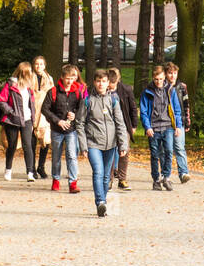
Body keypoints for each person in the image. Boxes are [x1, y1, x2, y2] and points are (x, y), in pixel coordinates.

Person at [77, 68, 130, 216]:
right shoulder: (87, 101)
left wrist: (123, 144)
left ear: (108, 83)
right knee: (98, 172)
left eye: (104, 81)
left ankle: (104, 203)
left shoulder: (113, 100)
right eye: (98, 81)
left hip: (111, 145)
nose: (101, 84)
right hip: (93, 143)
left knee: (107, 176)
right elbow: (79, 123)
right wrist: (83, 145)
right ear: (94, 82)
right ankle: (100, 201)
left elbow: (120, 123)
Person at [40, 62, 87, 193]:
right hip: (57, 130)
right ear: (62, 77)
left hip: (72, 130)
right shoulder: (53, 91)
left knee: (72, 156)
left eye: (72, 78)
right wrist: (58, 121)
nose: (70, 81)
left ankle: (73, 183)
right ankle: (56, 180)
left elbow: (82, 109)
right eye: (67, 78)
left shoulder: (78, 92)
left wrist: (75, 115)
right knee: (56, 156)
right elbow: (45, 109)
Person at [139, 64, 183, 190]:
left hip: (168, 126)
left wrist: (178, 126)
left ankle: (166, 177)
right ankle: (156, 179)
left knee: (169, 151)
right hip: (153, 127)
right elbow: (143, 112)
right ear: (153, 78)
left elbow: (177, 110)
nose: (159, 82)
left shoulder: (170, 90)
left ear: (164, 78)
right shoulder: (147, 92)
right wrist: (147, 127)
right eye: (156, 79)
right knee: (155, 154)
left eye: (161, 79)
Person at [0, 63, 37, 182]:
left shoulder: (29, 87)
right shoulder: (10, 85)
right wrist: (11, 112)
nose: (31, 74)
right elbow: (1, 100)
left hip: (27, 119)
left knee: (27, 145)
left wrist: (33, 117)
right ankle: (8, 170)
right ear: (22, 73)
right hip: (12, 120)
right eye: (28, 72)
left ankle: (30, 172)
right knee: (12, 146)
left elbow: (32, 103)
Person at [104, 65, 137, 190]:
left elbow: (133, 108)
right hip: (108, 127)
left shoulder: (126, 90)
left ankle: (122, 179)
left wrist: (134, 125)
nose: (111, 86)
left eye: (113, 83)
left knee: (124, 152)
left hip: (123, 125)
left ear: (118, 80)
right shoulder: (102, 91)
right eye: (109, 83)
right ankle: (109, 179)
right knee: (110, 153)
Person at [164, 61, 191, 183]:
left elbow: (186, 105)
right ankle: (165, 174)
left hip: (179, 122)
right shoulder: (162, 87)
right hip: (165, 122)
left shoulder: (182, 87)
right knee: (166, 149)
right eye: (170, 73)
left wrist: (187, 121)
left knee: (179, 147)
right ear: (166, 74)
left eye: (174, 73)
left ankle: (183, 173)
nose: (172, 76)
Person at [30, 55, 54, 179]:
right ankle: (31, 169)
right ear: (33, 65)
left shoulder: (49, 79)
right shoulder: (29, 78)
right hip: (32, 112)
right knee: (31, 142)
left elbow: (52, 96)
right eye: (37, 64)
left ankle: (41, 166)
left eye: (41, 64)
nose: (39, 66)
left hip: (45, 113)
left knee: (46, 141)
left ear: (45, 66)